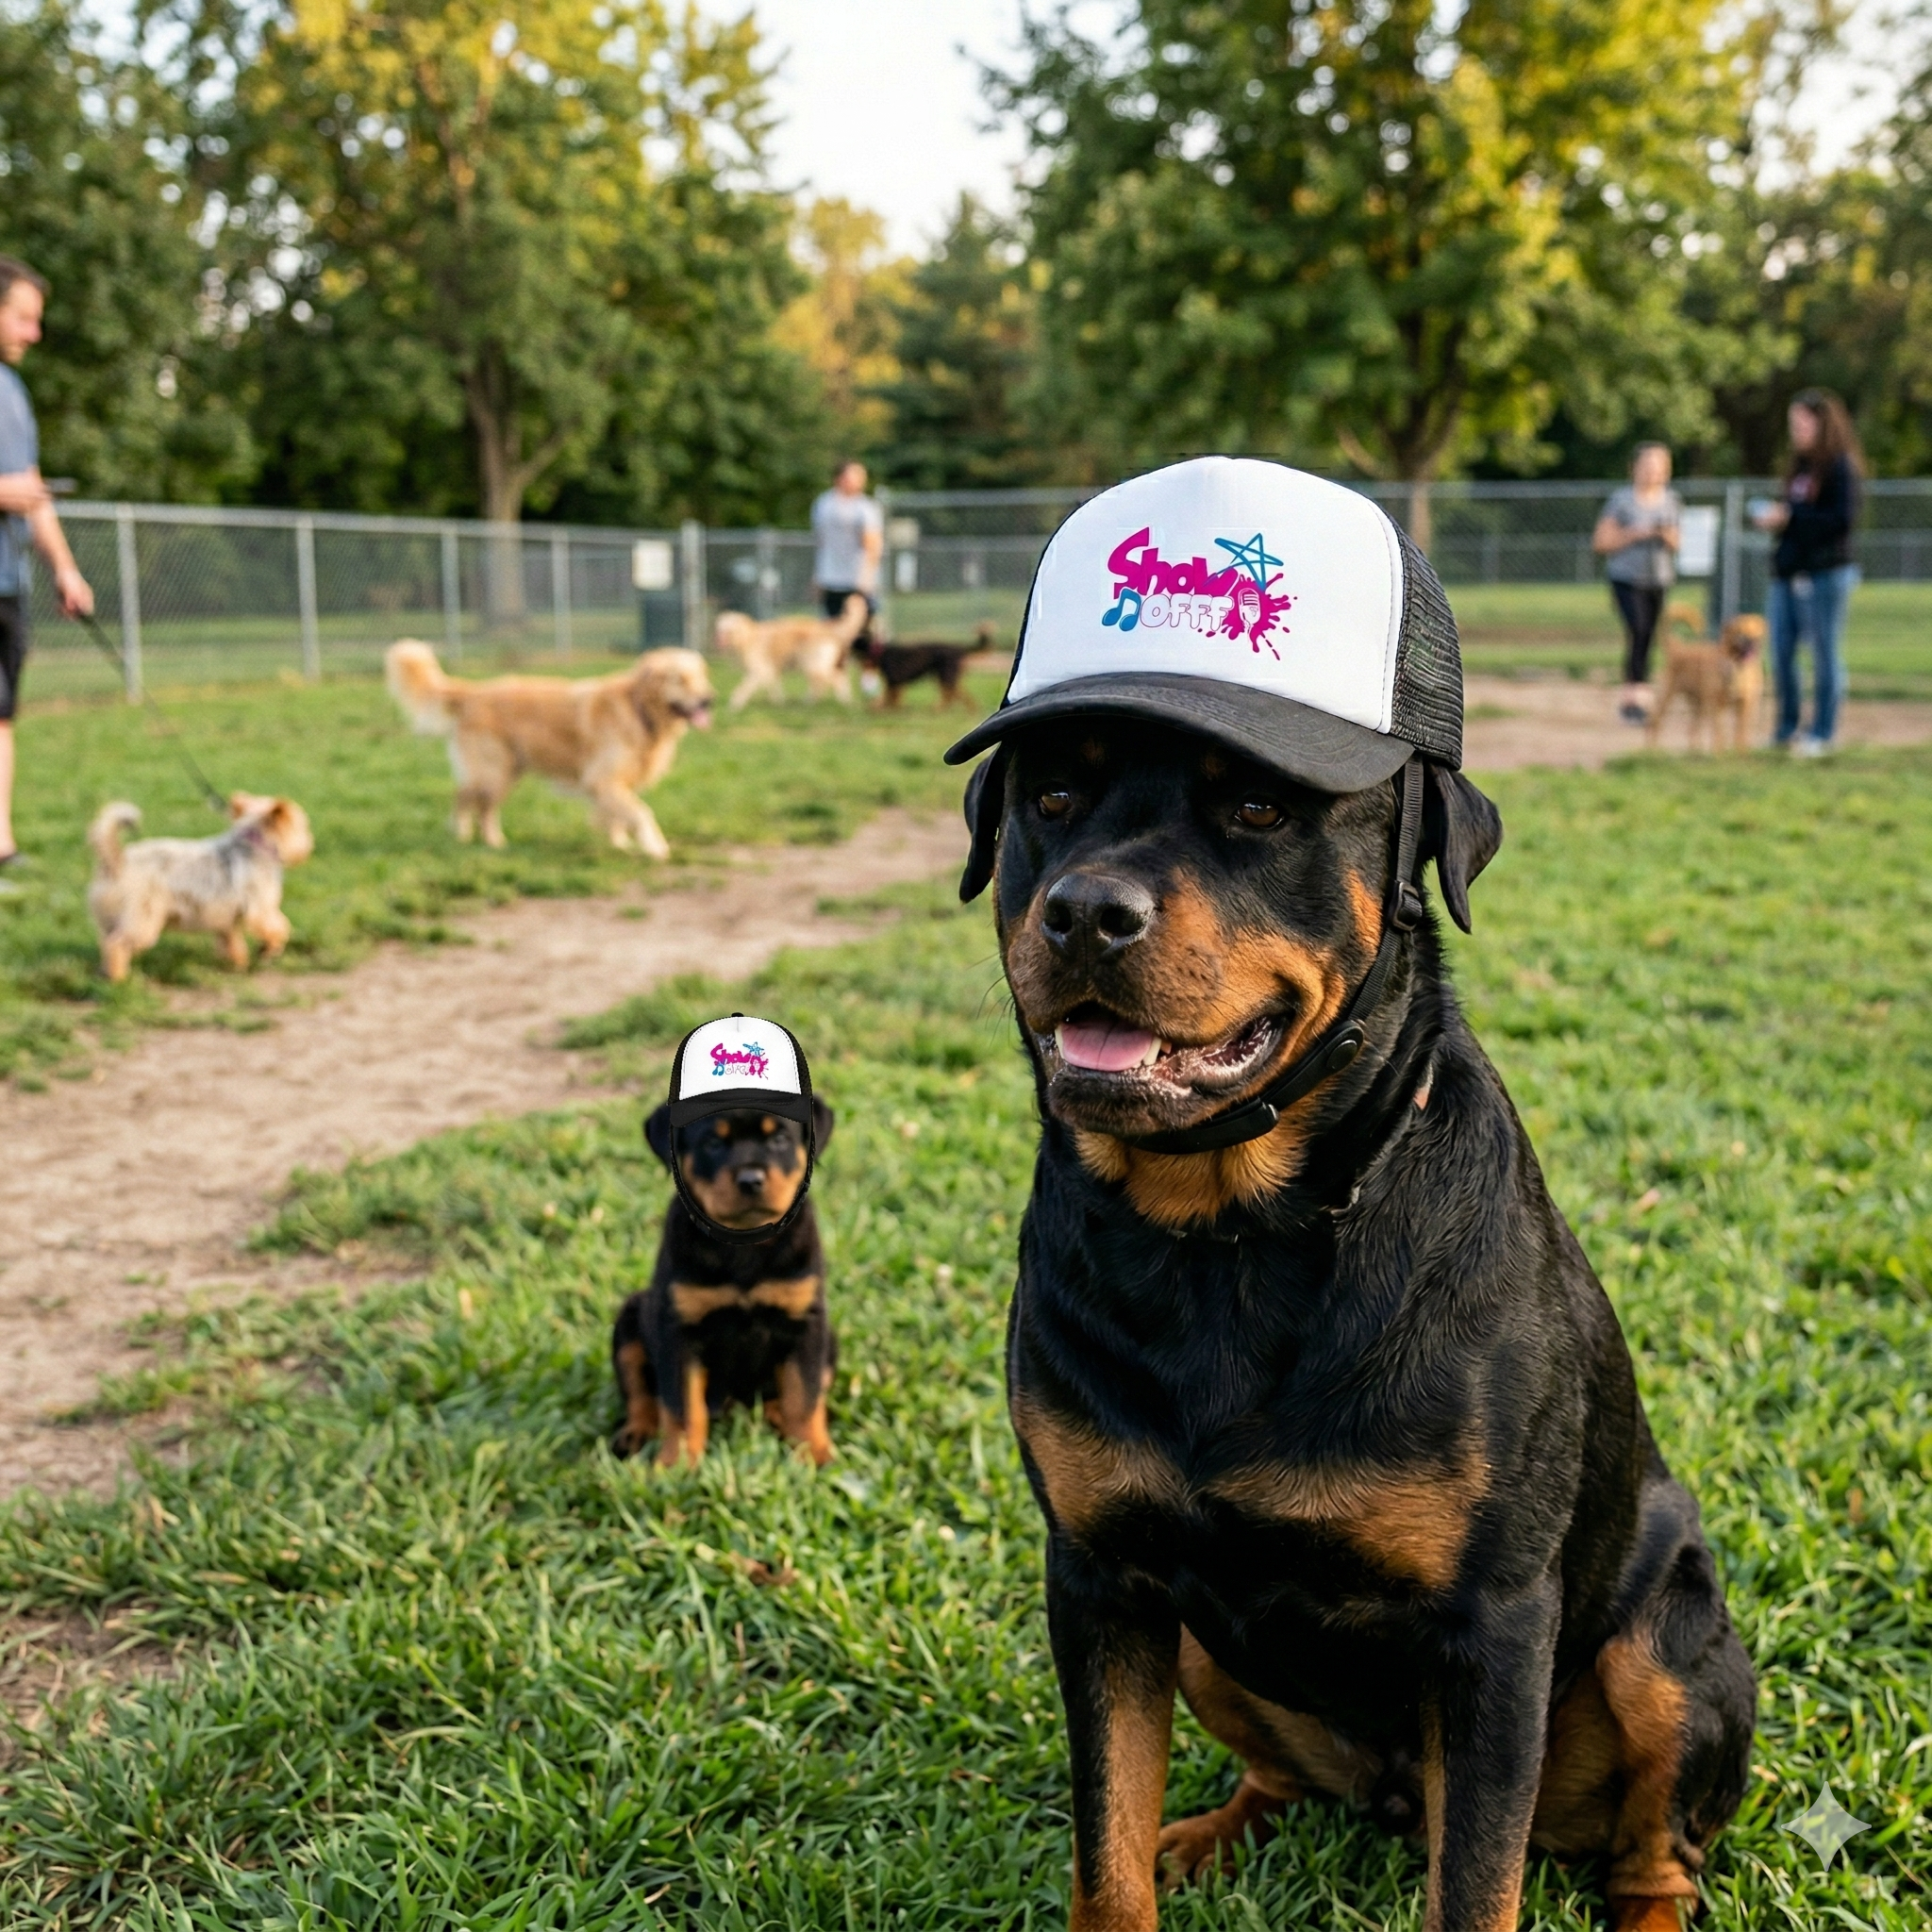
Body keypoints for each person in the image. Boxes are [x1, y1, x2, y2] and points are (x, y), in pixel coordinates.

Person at [0, 256, 94, 866]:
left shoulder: (12, 390)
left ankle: (1, 846)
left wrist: (64, 566)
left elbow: (28, 486)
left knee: (2, 714)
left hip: (8, 580)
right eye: (24, 318)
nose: (35, 334)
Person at [1752, 389, 1863, 757]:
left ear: (1822, 423)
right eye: (1792, 423)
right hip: (1789, 573)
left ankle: (1822, 732)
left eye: (1802, 422)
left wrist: (1791, 516)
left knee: (1824, 653)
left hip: (1826, 574)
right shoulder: (1799, 467)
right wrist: (1779, 519)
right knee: (1781, 652)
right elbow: (1797, 517)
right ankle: (1786, 728)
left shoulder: (1841, 467)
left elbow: (1841, 521)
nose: (1795, 430)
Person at [1592, 442, 1682, 724]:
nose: (1653, 472)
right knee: (1638, 629)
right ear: (1635, 468)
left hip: (1659, 579)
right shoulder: (1621, 501)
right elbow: (1602, 542)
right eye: (1648, 466)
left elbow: (1678, 542)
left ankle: (1642, 694)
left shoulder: (1671, 500)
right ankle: (1632, 697)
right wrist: (1635, 534)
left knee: (1649, 634)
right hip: (1626, 579)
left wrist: (1663, 535)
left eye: (1659, 467)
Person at [810, 459, 882, 642]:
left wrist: (867, 577)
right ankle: (835, 670)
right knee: (831, 628)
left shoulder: (865, 507)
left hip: (857, 578)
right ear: (840, 478)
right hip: (831, 577)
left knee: (866, 628)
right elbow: (822, 542)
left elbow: (872, 545)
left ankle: (869, 670)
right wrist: (818, 574)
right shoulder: (824, 504)